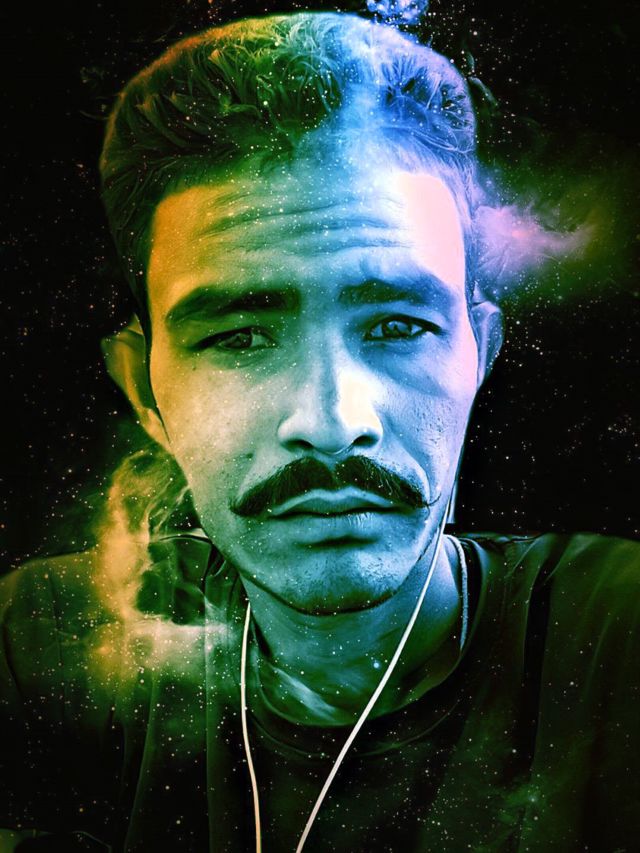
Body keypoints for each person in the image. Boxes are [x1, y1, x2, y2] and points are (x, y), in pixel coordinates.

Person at [1, 11, 638, 853]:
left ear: (479, 355)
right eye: (240, 336)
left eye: (398, 326)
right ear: (143, 391)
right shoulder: (40, 646)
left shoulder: (618, 640)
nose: (334, 426)